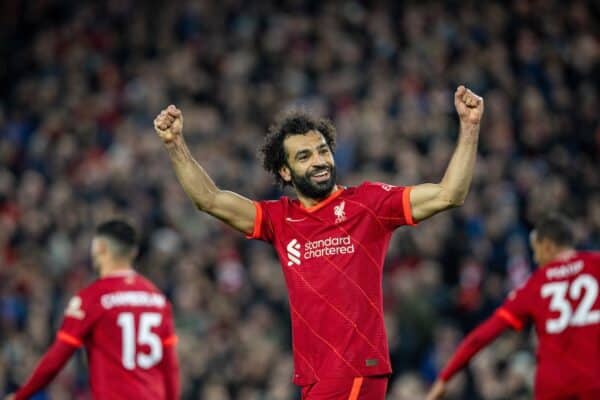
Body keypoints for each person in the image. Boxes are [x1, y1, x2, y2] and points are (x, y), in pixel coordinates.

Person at [154, 85, 483, 399]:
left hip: (355, 368)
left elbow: (448, 194)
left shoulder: (367, 204)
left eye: (323, 150)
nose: (319, 161)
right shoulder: (280, 220)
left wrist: (469, 128)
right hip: (312, 375)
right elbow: (210, 200)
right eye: (305, 156)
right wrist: (175, 145)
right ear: (285, 171)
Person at [426, 213, 600, 400]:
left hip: (553, 386)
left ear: (548, 246)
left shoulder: (534, 286)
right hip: (593, 380)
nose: (535, 258)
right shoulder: (596, 264)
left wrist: (445, 377)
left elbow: (481, 336)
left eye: (536, 250)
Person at [4, 220, 180, 400]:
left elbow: (56, 359)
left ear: (100, 248)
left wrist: (21, 395)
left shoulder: (92, 298)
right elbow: (170, 367)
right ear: (133, 252)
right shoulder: (158, 300)